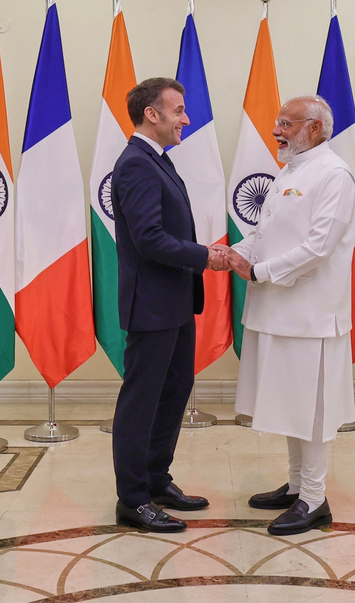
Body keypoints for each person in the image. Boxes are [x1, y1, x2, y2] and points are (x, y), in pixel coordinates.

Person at [221, 95, 355, 536]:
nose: (277, 130)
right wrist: (230, 254)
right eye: (277, 121)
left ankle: (315, 499)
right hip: (276, 311)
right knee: (290, 405)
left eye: (286, 123)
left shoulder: (335, 174)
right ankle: (298, 485)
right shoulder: (291, 169)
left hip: (310, 316)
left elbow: (318, 247)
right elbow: (265, 232)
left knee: (311, 410)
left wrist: (258, 271)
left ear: (314, 128)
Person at [110, 77, 229, 533]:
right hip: (152, 305)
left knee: (173, 392)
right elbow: (150, 239)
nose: (187, 118)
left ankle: (157, 480)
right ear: (152, 115)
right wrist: (205, 257)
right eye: (178, 110)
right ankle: (133, 499)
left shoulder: (157, 160)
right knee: (141, 402)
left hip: (176, 303)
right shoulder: (137, 164)